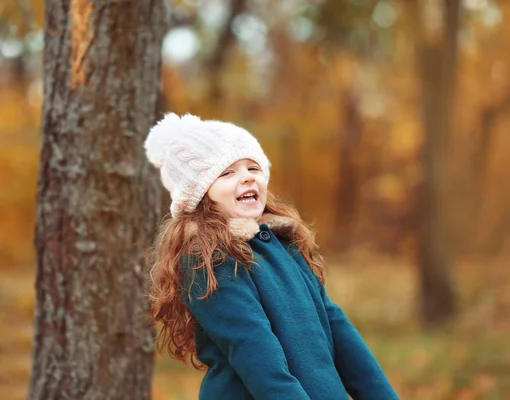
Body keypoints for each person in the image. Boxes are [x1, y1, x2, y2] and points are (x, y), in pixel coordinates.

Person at [145, 113, 400, 400]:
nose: (247, 177)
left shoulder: (283, 243)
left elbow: (337, 329)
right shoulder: (207, 258)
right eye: (227, 173)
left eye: (253, 167)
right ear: (199, 195)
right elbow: (255, 353)